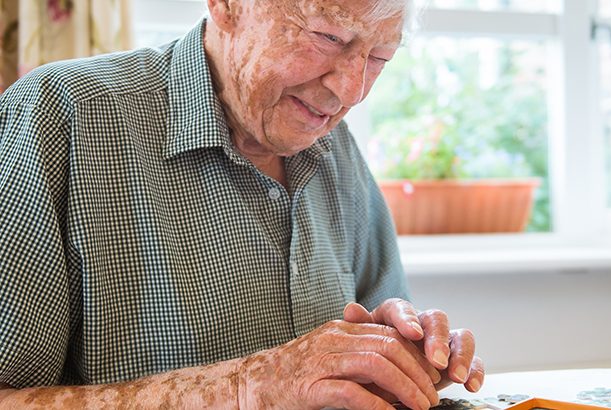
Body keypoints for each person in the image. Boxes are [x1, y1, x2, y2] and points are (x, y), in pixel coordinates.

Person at [0, 0, 484, 408]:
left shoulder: (335, 149)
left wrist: (399, 360)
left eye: (380, 56)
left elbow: (375, 346)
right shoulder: (60, 114)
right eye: (327, 37)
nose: (351, 91)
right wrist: (249, 386)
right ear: (228, 6)